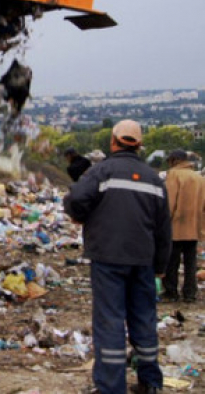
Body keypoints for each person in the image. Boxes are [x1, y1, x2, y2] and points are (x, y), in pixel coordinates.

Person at [64, 119, 171, 394]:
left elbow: (76, 199)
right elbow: (163, 229)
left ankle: (112, 387)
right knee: (144, 319)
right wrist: (160, 266)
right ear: (140, 145)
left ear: (113, 141)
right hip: (143, 260)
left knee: (110, 321)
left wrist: (79, 215)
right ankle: (150, 383)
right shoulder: (154, 179)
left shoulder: (102, 173)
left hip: (108, 259)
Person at [162, 149, 205, 303]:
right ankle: (190, 293)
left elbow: (169, 202)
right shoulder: (199, 177)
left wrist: (163, 223)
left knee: (172, 261)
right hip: (194, 227)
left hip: (176, 226)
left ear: (174, 160)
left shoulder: (173, 175)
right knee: (190, 261)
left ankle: (171, 291)